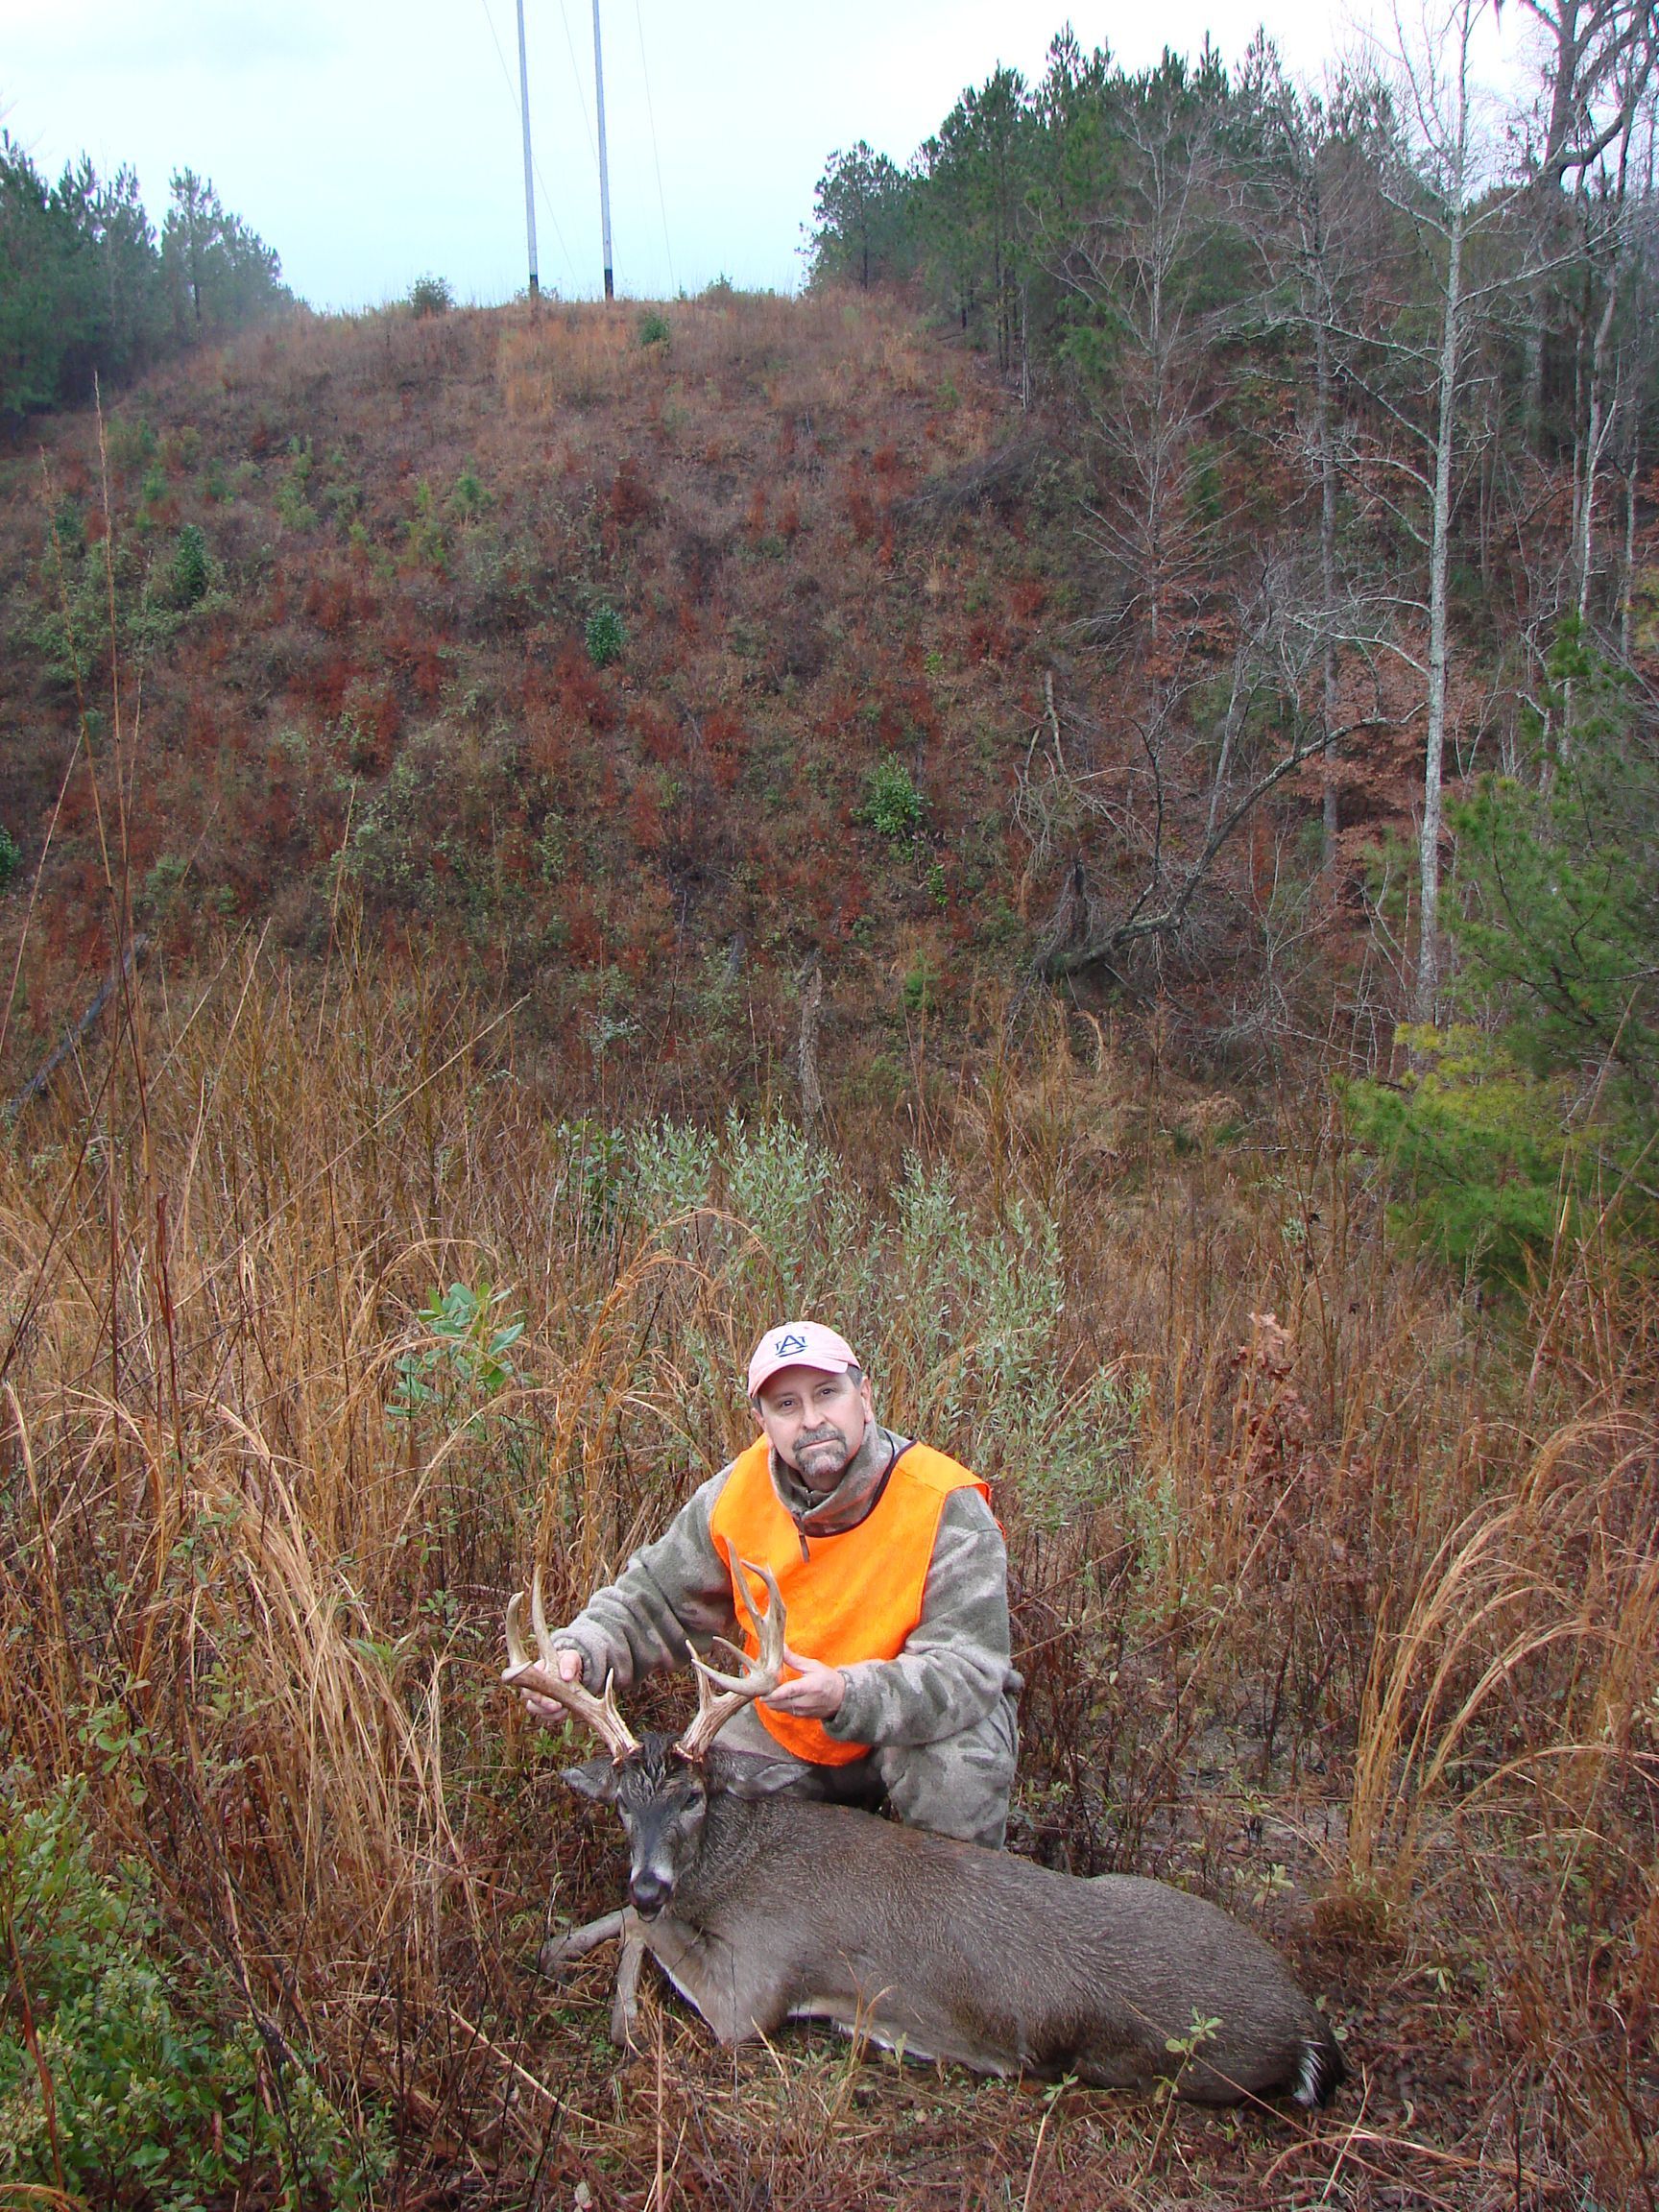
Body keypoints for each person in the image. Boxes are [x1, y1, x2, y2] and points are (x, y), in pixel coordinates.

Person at [520, 1321, 1020, 1848]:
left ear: (865, 1396)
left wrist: (847, 1695)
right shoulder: (738, 1495)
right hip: (789, 1723)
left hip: (916, 1725)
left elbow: (967, 1670)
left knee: (957, 1773)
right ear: (762, 1421)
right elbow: (653, 1601)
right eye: (786, 1405)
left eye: (827, 1393)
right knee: (705, 1821)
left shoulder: (946, 1502)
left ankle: (951, 1916)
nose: (812, 1420)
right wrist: (580, 1653)